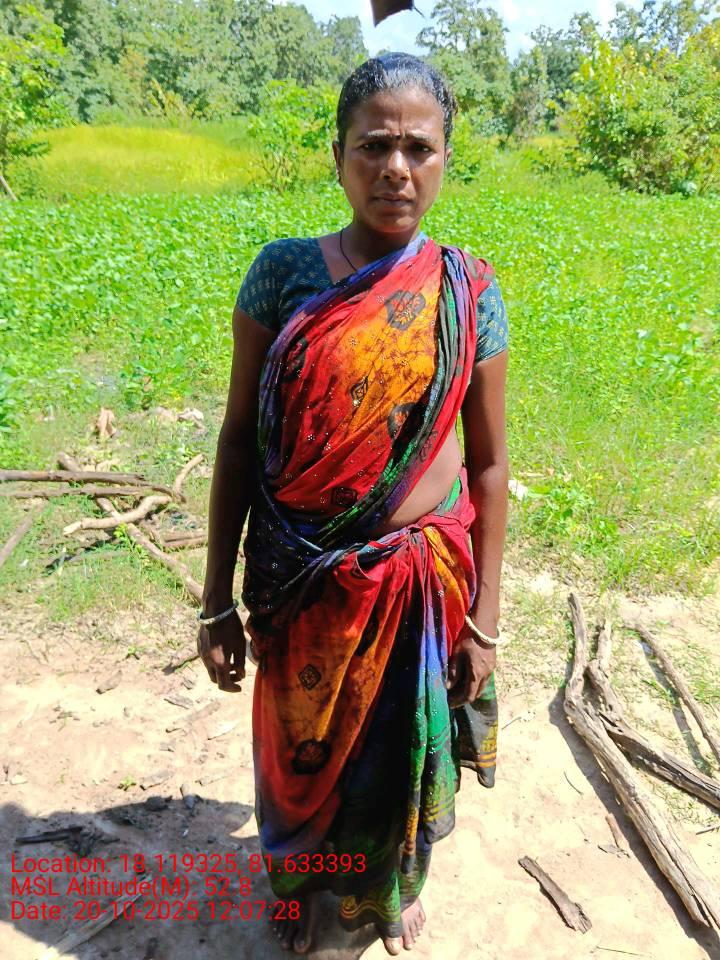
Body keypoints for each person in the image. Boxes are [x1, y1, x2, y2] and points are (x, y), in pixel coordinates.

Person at [197, 53, 509, 957]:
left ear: (446, 160)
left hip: (417, 587)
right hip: (300, 582)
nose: (395, 169)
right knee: (298, 755)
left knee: (397, 750)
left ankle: (388, 888)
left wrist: (484, 622)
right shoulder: (283, 275)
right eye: (374, 145)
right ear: (338, 157)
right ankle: (305, 887)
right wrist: (215, 598)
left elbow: (489, 467)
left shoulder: (467, 292)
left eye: (419, 148)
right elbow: (238, 441)